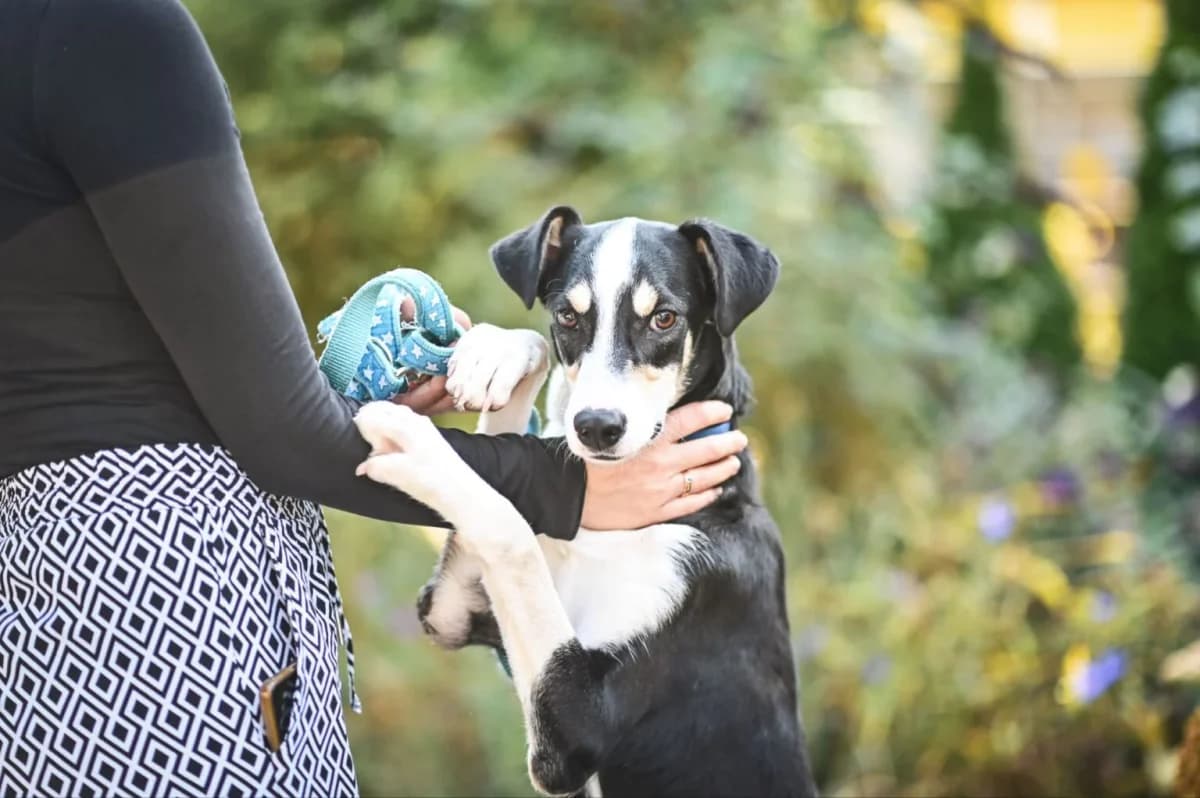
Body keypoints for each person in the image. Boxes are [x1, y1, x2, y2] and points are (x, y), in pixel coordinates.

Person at [0, 0, 748, 795]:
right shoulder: (107, 27)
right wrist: (570, 484)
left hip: (41, 594)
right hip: (175, 601)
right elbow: (283, 433)